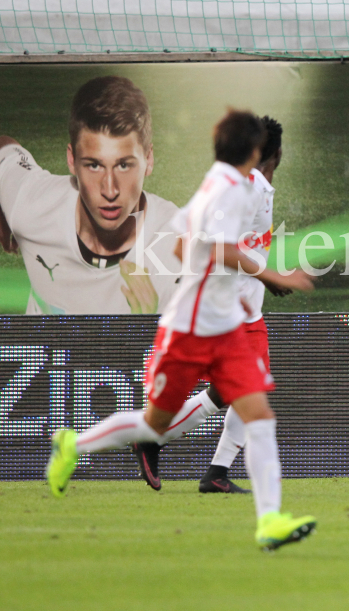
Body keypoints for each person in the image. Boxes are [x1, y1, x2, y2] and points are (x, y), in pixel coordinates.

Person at [46, 110, 318, 550]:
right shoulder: (236, 189)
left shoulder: (225, 182)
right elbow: (203, 247)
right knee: (153, 425)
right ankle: (74, 445)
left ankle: (268, 520)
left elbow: (181, 241)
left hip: (227, 324)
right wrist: (273, 275)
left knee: (260, 416)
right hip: (190, 328)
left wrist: (243, 274)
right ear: (256, 152)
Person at [130, 116, 288, 494]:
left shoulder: (256, 186)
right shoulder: (250, 187)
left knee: (236, 391)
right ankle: (153, 437)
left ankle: (213, 471)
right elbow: (212, 245)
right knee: (238, 390)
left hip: (243, 309)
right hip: (224, 310)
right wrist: (270, 275)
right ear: (276, 154)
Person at [0, 76, 180, 314]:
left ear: (148, 159)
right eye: (94, 165)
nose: (109, 190)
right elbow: (4, 147)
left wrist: (147, 330)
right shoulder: (32, 205)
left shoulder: (178, 250)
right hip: (38, 351)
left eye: (124, 165)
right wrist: (4, 213)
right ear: (72, 160)